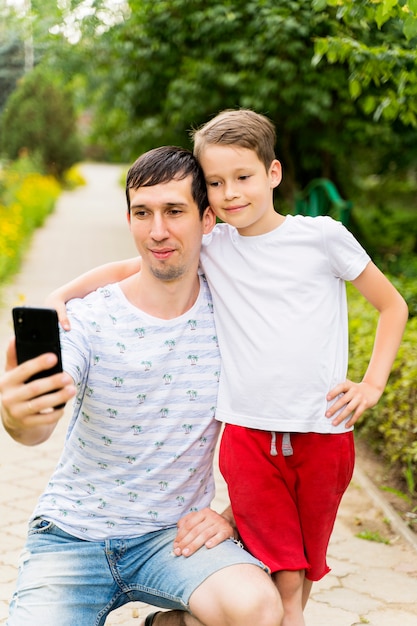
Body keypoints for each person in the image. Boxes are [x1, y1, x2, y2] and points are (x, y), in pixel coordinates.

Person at [46, 110, 409, 626]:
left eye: (243, 177)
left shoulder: (322, 237)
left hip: (322, 431)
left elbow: (392, 305)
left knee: (301, 573)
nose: (230, 192)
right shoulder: (213, 245)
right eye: (215, 182)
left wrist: (373, 384)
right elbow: (129, 268)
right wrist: (62, 294)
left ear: (274, 174)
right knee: (283, 585)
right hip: (249, 437)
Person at [0, 146, 283, 626]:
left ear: (207, 219)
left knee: (256, 608)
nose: (157, 232)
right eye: (142, 213)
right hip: (72, 535)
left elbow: (284, 422)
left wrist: (233, 515)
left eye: (174, 211)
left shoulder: (236, 311)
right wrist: (19, 415)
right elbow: (34, 430)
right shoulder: (88, 317)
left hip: (174, 538)